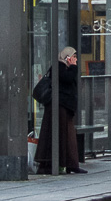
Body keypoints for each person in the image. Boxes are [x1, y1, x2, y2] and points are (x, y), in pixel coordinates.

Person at [35, 46, 87, 174]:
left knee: (68, 136)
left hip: (65, 106)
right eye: (73, 57)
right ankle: (49, 164)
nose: (75, 59)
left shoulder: (66, 68)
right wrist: (73, 67)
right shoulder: (58, 67)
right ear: (67, 57)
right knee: (58, 135)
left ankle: (70, 164)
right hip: (58, 106)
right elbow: (67, 79)